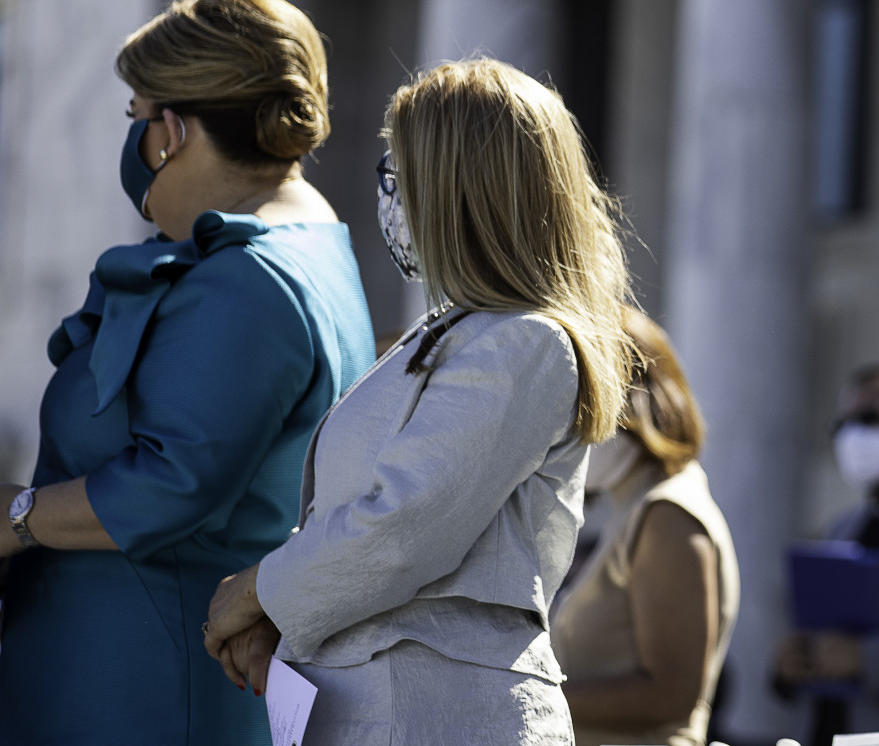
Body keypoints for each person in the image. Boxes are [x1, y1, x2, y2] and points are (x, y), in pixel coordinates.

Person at [0, 0, 377, 745]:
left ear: (172, 132)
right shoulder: (303, 248)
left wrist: (13, 518)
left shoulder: (251, 280)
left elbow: (175, 483)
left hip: (147, 699)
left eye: (137, 116)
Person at [201, 58, 636, 746]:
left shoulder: (527, 341)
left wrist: (257, 591)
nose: (390, 192)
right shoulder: (451, 331)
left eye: (403, 170)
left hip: (443, 716)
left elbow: (401, 529)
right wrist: (280, 617)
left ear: (459, 187)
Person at [551, 310, 740, 746]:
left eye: (580, 403)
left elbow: (670, 695)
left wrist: (529, 699)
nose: (567, 426)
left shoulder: (668, 512)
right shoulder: (636, 507)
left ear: (634, 399)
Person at [773, 363, 879, 745]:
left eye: (869, 418)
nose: (853, 435)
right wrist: (792, 661)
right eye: (843, 424)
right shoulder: (840, 528)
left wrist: (864, 657)